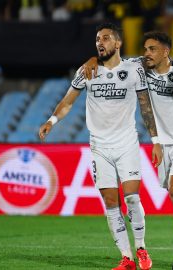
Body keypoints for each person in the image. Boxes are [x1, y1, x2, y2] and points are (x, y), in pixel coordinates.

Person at [81, 31, 173, 270]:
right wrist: (93, 60)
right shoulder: (140, 68)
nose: (146, 54)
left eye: (152, 49)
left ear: (165, 52)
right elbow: (110, 60)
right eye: (145, 49)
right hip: (163, 142)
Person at [38, 22, 161, 270]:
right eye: (97, 39)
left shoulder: (134, 69)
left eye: (105, 38)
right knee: (110, 201)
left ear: (118, 43)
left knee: (132, 198)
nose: (100, 42)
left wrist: (156, 141)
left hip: (126, 143)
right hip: (99, 146)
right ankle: (126, 257)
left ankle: (141, 248)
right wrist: (52, 121)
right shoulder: (87, 71)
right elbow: (68, 101)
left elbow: (146, 106)